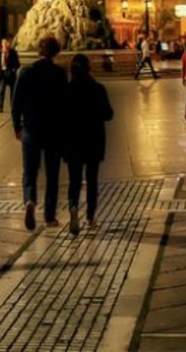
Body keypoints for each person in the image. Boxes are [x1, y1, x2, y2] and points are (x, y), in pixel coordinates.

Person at [11, 35, 68, 230]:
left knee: (30, 172)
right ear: (56, 52)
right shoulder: (59, 74)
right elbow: (64, 104)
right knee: (52, 175)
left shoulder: (26, 72)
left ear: (39, 50)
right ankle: (50, 217)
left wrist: (17, 127)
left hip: (31, 129)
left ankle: (30, 201)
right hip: (53, 131)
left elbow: (15, 103)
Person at [63, 53, 113, 235]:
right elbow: (108, 114)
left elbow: (60, 117)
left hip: (72, 141)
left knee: (74, 180)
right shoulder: (98, 89)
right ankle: (91, 218)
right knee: (92, 180)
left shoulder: (66, 90)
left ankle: (74, 206)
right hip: (93, 140)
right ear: (89, 68)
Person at [0, 38, 20, 112]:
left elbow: (18, 64)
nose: (4, 44)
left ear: (8, 44)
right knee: (1, 90)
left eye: (6, 43)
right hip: (3, 75)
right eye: (3, 43)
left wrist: (13, 69)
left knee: (13, 92)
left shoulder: (13, 52)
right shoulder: (0, 53)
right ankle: (0, 106)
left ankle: (13, 106)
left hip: (11, 74)